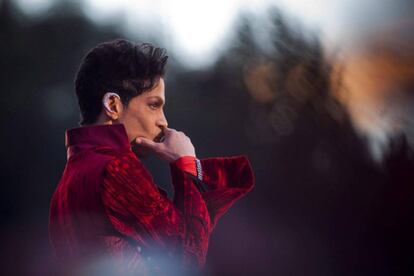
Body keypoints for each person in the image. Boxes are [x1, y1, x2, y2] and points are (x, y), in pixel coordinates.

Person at [48, 39, 255, 275]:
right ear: (113, 105)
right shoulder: (116, 169)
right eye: (154, 105)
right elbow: (185, 260)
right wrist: (187, 166)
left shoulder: (70, 178)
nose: (163, 121)